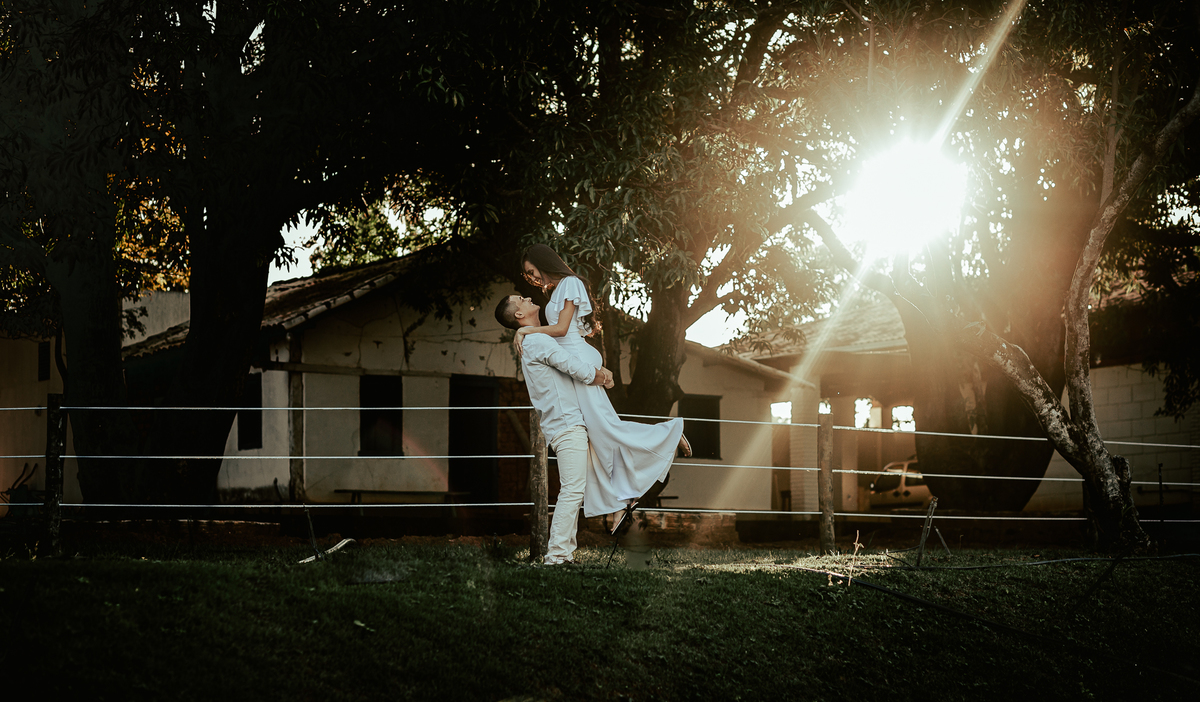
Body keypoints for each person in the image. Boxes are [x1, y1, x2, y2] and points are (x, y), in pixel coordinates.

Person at [515, 244, 691, 535]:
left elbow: (560, 330)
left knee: (606, 429)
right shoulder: (555, 291)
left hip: (577, 360)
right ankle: (621, 502)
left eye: (533, 272)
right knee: (600, 436)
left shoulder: (570, 283)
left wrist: (525, 329)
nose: (533, 279)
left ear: (543, 262)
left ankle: (668, 434)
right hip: (572, 361)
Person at [495, 293, 613, 565]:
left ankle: (565, 553)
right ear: (518, 315)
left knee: (575, 488)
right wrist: (600, 375)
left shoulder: (536, 336)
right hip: (566, 422)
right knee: (572, 489)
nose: (527, 297)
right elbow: (575, 368)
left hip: (568, 421)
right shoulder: (536, 341)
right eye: (520, 299)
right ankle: (557, 556)